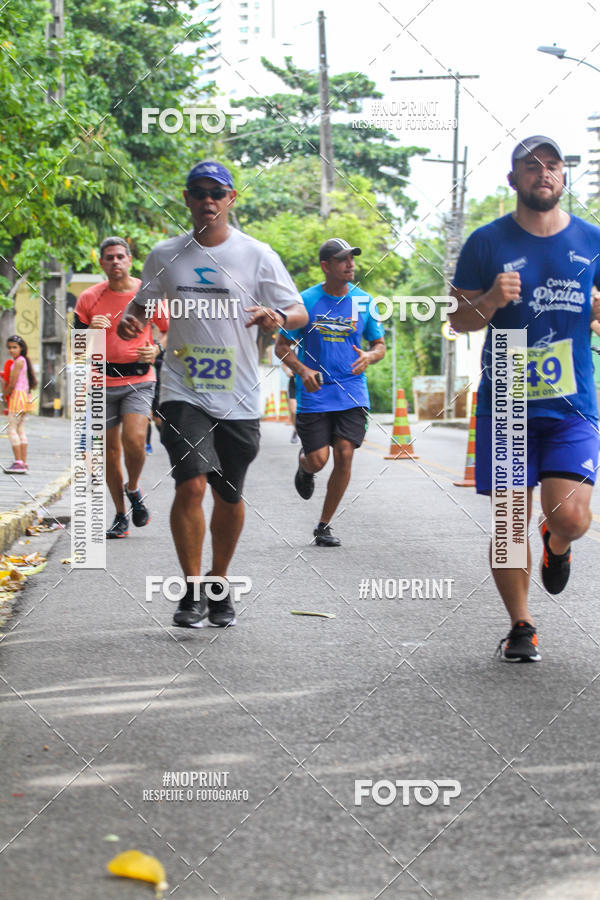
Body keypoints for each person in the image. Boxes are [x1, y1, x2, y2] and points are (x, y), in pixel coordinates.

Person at [117, 160, 308, 628]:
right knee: (192, 482)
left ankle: (218, 584)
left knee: (228, 493)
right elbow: (140, 304)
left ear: (230, 199)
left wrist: (277, 319)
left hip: (240, 392)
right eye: (199, 191)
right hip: (183, 389)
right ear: (186, 197)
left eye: (217, 193)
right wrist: (132, 318)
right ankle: (191, 589)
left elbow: (299, 310)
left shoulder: (257, 254)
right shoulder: (164, 254)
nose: (208, 200)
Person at [450, 135, 600, 662]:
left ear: (564, 177)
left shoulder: (593, 241)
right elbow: (458, 320)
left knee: (573, 518)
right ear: (513, 180)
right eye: (531, 167)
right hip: (508, 394)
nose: (544, 173)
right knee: (510, 524)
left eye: (553, 166)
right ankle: (521, 625)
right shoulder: (486, 242)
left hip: (573, 403)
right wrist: (490, 298)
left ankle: (556, 546)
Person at [275, 237, 385, 547]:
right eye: (342, 260)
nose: (350, 264)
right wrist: (303, 370)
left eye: (352, 258)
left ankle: (324, 525)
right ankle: (304, 466)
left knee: (346, 453)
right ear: (326, 266)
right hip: (315, 392)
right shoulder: (305, 302)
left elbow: (380, 345)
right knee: (319, 459)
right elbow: (282, 346)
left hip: (352, 390)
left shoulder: (364, 301)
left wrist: (369, 356)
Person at [74, 237, 168, 538]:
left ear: (129, 260)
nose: (115, 262)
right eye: (109, 258)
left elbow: (169, 331)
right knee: (108, 454)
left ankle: (133, 486)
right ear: (101, 263)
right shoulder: (89, 298)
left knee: (135, 439)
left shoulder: (148, 293)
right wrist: (91, 332)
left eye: (120, 257)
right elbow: (78, 348)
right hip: (101, 380)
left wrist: (157, 349)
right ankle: (119, 514)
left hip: (139, 379)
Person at [3, 335, 36, 474]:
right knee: (20, 429)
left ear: (21, 348)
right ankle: (23, 462)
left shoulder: (17, 362)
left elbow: (12, 383)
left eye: (14, 347)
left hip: (17, 396)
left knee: (11, 429)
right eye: (9, 347)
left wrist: (4, 395)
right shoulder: (24, 361)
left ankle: (18, 462)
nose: (11, 350)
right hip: (26, 396)